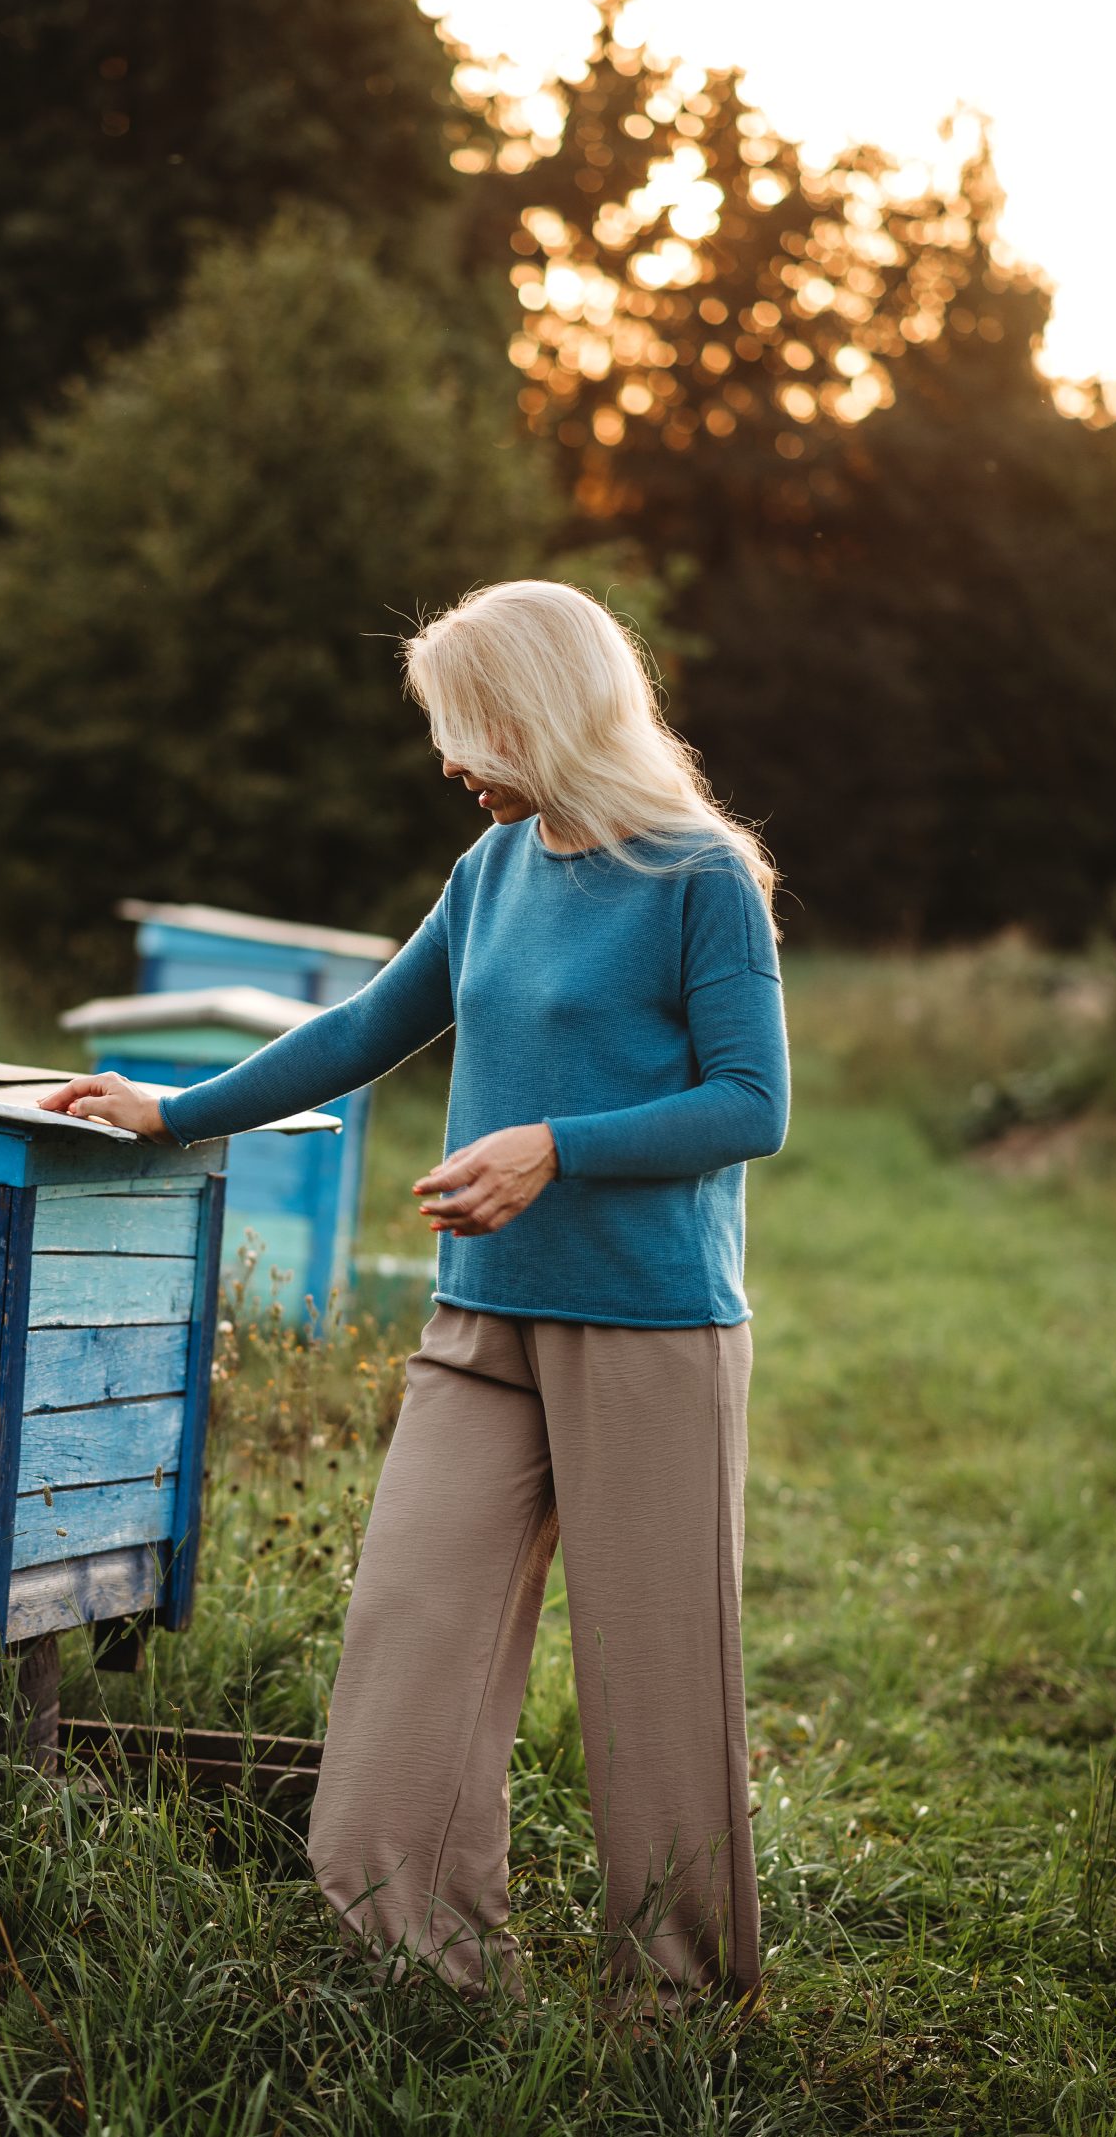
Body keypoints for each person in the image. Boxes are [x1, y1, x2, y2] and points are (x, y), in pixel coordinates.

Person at [38, 579, 789, 2010]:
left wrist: (556, 1150)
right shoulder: (489, 876)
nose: (450, 761)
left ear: (543, 714)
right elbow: (365, 1028)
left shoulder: (699, 877)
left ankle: (678, 2006)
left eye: (469, 728)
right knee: (409, 1635)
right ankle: (424, 1965)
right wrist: (173, 1110)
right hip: (480, 1316)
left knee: (656, 1682)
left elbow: (752, 1107)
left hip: (650, 1329)